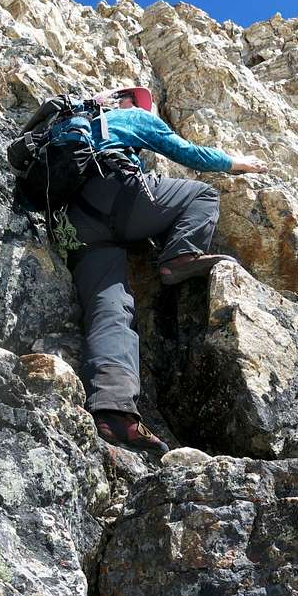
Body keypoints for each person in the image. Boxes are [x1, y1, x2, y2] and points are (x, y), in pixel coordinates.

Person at [63, 86, 267, 454]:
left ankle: (113, 413)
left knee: (109, 309)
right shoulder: (131, 117)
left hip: (78, 222)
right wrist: (238, 163)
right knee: (202, 195)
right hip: (119, 194)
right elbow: (187, 153)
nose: (142, 105)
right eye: (139, 101)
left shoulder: (76, 129)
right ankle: (180, 258)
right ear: (126, 103)